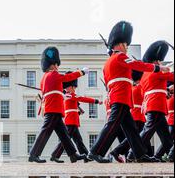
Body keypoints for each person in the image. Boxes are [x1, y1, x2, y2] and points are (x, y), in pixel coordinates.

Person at [88, 21, 171, 163]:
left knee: (131, 129)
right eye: (126, 44)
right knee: (112, 125)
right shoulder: (120, 57)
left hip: (121, 97)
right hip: (120, 96)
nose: (127, 47)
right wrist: (157, 68)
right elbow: (136, 65)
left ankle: (139, 154)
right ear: (120, 44)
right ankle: (95, 151)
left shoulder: (110, 61)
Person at [28, 46, 88, 163]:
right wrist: (81, 72)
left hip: (53, 108)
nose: (57, 66)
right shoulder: (54, 75)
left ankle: (73, 154)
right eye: (56, 64)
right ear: (53, 64)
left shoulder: (45, 77)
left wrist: (62, 92)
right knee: (45, 131)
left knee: (64, 134)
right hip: (53, 108)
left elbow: (55, 89)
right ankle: (33, 154)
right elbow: (67, 77)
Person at [50, 73, 102, 163]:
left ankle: (85, 156)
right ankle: (55, 155)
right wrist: (96, 101)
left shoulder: (67, 96)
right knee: (66, 140)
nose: (74, 89)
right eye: (73, 87)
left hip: (72, 119)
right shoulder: (70, 95)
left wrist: (78, 110)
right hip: (71, 121)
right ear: (71, 87)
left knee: (78, 140)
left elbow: (71, 108)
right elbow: (83, 98)